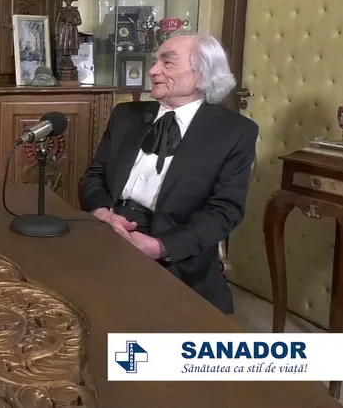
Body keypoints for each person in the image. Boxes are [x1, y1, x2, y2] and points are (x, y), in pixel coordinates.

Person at [78, 33, 258, 314]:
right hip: (106, 233)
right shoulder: (126, 115)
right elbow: (94, 176)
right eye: (154, 61)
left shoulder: (234, 132)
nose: (153, 70)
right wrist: (103, 214)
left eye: (167, 62)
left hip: (176, 251)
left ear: (201, 76)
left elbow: (225, 211)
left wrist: (160, 247)